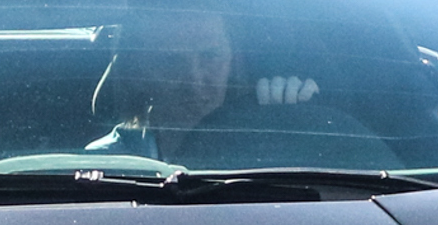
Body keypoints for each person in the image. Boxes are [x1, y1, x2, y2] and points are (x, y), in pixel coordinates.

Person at [87, 10, 318, 163]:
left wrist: (291, 120)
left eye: (210, 56)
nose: (194, 80)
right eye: (171, 60)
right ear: (138, 72)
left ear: (233, 61)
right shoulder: (103, 169)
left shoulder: (266, 140)